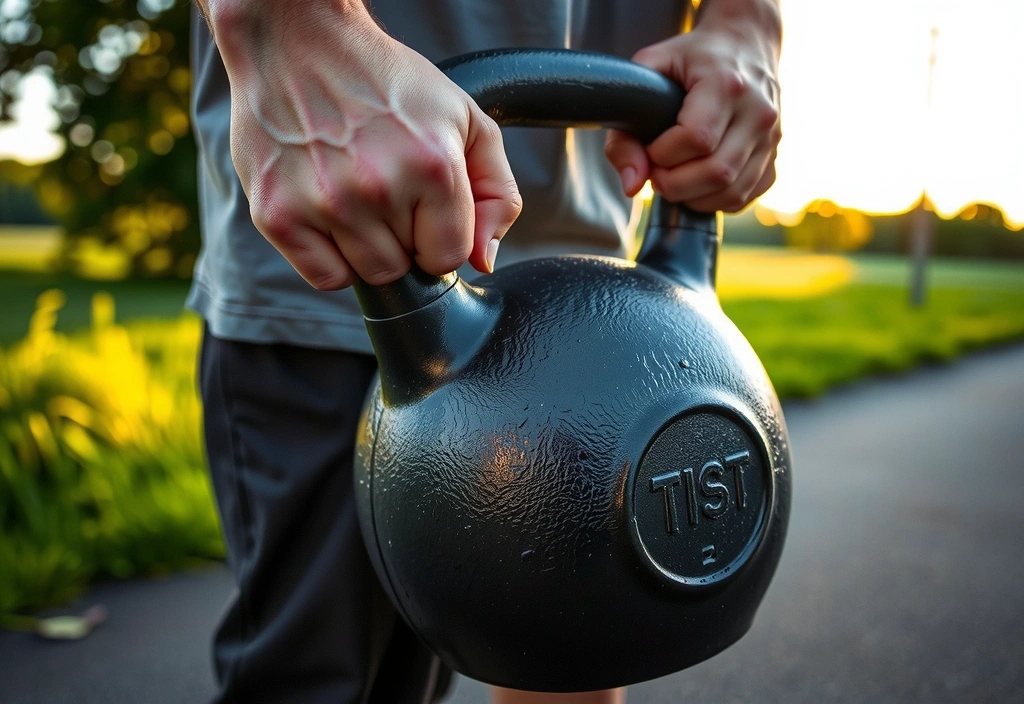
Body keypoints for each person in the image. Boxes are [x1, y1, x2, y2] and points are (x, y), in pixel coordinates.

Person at [188, 0, 782, 702]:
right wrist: (294, 28)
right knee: (329, 682)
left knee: (579, 655)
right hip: (351, 247)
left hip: (606, 280)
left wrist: (749, 24)